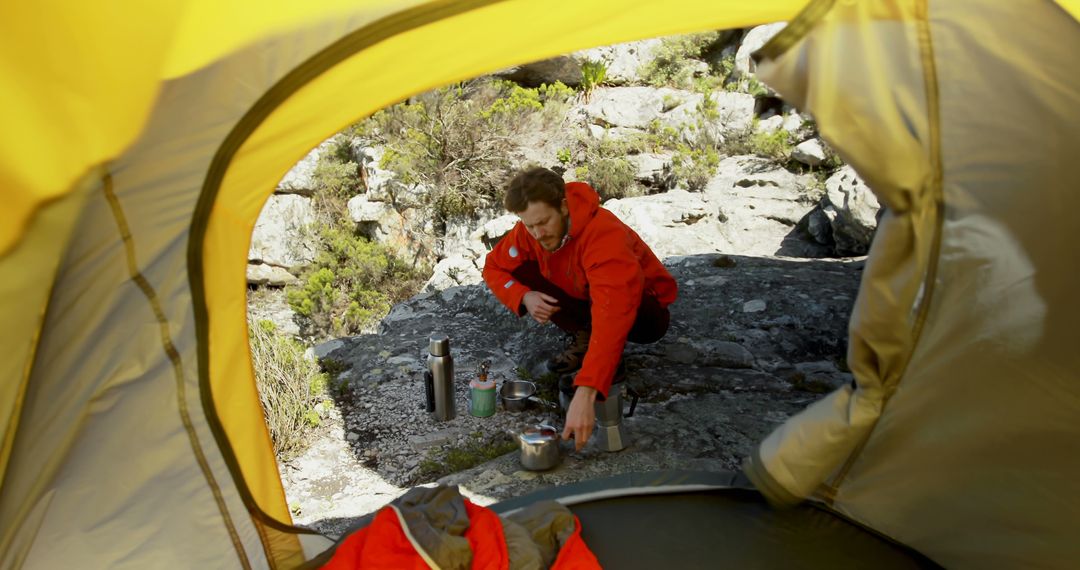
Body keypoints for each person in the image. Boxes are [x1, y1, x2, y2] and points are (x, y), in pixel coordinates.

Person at [482, 166, 678, 451]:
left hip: (643, 313)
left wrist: (587, 392)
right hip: (587, 295)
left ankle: (596, 347)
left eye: (544, 222)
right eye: (529, 225)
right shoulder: (531, 231)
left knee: (612, 323)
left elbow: (613, 316)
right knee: (521, 268)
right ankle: (586, 334)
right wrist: (525, 296)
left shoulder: (603, 234)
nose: (537, 233)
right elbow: (494, 265)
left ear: (562, 207)